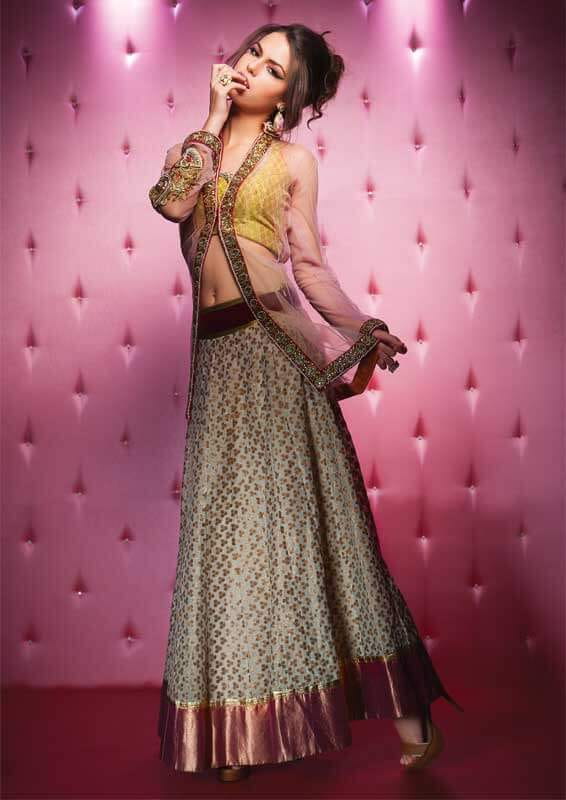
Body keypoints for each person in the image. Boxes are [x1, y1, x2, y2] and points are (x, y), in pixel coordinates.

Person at [149, 23, 463, 783]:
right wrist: (212, 120)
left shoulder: (293, 161)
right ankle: (238, 729)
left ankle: (412, 716)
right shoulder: (193, 149)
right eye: (252, 54)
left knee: (328, 541)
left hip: (276, 356)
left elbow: (310, 268)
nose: (252, 67)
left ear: (290, 97)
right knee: (229, 548)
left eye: (273, 68)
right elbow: (170, 205)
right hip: (218, 367)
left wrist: (361, 327)